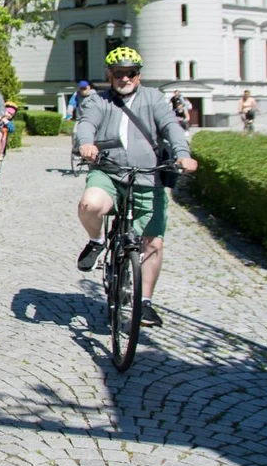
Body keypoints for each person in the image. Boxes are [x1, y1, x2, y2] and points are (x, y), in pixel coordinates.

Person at [74, 47, 198, 328]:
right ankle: (96, 242)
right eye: (119, 73)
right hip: (109, 173)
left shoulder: (154, 98)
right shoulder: (98, 101)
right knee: (90, 204)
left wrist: (183, 153)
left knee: (153, 242)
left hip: (147, 177)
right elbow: (86, 125)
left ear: (138, 75)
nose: (124, 78)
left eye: (130, 73)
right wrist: (86, 144)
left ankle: (145, 304)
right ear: (110, 75)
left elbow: (171, 126)